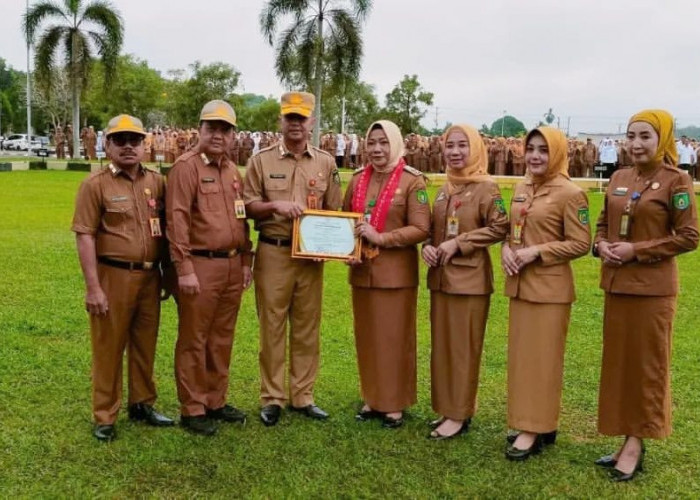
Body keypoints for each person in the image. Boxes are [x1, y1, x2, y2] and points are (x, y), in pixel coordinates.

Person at [593, 110, 698, 482]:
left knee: (646, 366)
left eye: (645, 137)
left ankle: (637, 442)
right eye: (631, 136)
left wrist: (636, 250)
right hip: (617, 286)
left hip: (652, 291)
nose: (636, 144)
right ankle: (625, 437)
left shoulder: (677, 180)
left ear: (662, 139)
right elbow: (603, 222)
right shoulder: (619, 176)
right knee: (620, 366)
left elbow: (689, 236)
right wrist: (601, 244)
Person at [71, 114, 174, 442]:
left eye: (135, 140)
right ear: (107, 144)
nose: (128, 146)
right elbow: (84, 235)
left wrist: (168, 275)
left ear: (145, 145)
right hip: (113, 275)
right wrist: (93, 287)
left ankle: (142, 403)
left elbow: (169, 231)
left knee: (145, 344)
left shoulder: (156, 182)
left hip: (149, 277)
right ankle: (105, 414)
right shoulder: (95, 185)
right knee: (109, 347)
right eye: (120, 140)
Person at [243, 91, 342, 427]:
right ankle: (272, 397)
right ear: (280, 121)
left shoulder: (326, 163)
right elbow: (247, 206)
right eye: (290, 117)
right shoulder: (261, 161)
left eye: (302, 117)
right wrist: (275, 206)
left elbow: (335, 211)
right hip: (274, 250)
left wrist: (333, 244)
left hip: (311, 258)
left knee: (307, 327)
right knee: (272, 326)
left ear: (311, 121)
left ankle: (303, 396)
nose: (296, 123)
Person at [501, 126, 591, 460]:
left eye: (543, 150)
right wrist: (507, 250)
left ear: (557, 154)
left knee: (542, 361)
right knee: (523, 360)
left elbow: (582, 243)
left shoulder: (571, 193)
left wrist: (537, 252)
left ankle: (534, 428)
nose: (536, 156)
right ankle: (533, 421)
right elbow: (512, 232)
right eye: (531, 149)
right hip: (520, 287)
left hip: (550, 290)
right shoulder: (522, 186)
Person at [166, 100, 254, 436]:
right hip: (200, 265)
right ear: (200, 130)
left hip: (232, 265)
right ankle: (193, 408)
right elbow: (177, 220)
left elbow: (241, 217)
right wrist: (183, 268)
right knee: (194, 338)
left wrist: (246, 260)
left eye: (225, 129)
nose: (218, 135)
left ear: (233, 135)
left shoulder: (232, 170)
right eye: (211, 128)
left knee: (221, 338)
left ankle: (216, 401)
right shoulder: (186, 167)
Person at [422, 124, 508, 439]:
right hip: (441, 280)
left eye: (462, 145)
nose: (455, 152)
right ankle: (448, 408)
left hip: (470, 282)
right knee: (443, 348)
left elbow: (500, 227)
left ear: (475, 149)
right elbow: (435, 229)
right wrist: (428, 247)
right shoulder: (446, 187)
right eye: (450, 145)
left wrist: (460, 244)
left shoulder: (487, 187)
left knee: (463, 350)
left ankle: (460, 414)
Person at [344, 120, 430, 428]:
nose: (377, 149)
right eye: (371, 142)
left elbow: (421, 228)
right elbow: (346, 222)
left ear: (394, 144)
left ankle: (393, 403)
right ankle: (373, 397)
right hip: (362, 273)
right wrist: (347, 251)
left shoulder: (412, 182)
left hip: (395, 275)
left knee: (394, 339)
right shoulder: (356, 180)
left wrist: (382, 238)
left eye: (383, 142)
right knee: (367, 337)